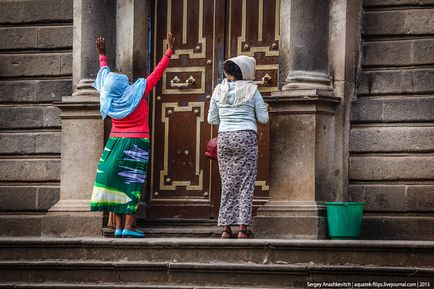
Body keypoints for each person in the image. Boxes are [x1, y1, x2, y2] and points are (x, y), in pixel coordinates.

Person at [90, 32, 175, 238]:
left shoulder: (108, 99)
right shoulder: (137, 93)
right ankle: (129, 227)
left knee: (116, 183)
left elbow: (104, 75)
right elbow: (157, 73)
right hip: (136, 142)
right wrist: (169, 52)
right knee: (131, 181)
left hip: (114, 143)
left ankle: (119, 227)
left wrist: (103, 55)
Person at [207, 55, 269, 239]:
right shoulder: (252, 90)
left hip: (225, 137)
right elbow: (263, 119)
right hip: (246, 137)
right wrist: (265, 108)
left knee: (228, 183)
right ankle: (242, 229)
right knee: (245, 183)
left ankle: (226, 229)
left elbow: (212, 119)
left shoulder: (219, 90)